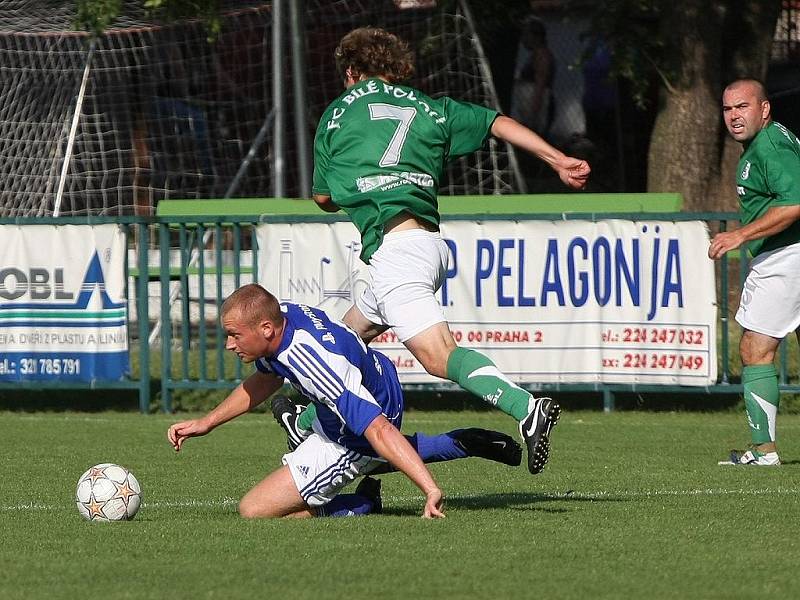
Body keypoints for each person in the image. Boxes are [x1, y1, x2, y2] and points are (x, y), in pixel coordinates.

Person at [302, 26, 590, 475]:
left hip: (395, 251)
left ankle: (525, 407)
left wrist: (361, 185)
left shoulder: (337, 115)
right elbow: (497, 121)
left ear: (353, 72)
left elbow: (322, 198)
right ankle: (301, 417)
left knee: (439, 356)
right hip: (424, 246)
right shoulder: (429, 108)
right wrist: (557, 159)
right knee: (344, 340)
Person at [167, 283, 522, 519]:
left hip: (356, 428)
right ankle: (462, 441)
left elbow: (378, 429)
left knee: (256, 509)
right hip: (378, 378)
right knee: (342, 437)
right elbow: (266, 377)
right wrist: (207, 422)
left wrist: (430, 489)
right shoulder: (282, 315)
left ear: (265, 330)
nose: (229, 344)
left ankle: (361, 502)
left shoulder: (315, 365)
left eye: (233, 335)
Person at [709, 78, 800, 466]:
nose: (734, 116)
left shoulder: (770, 147)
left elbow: (795, 203)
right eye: (728, 109)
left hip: (786, 256)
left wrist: (740, 235)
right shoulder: (768, 142)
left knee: (754, 350)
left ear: (764, 109)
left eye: (742, 107)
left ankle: (764, 451)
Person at [510, 16, 556, 138]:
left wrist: (533, 113)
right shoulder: (534, 55)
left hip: (536, 109)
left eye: (526, 35)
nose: (523, 39)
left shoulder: (542, 55)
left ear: (536, 36)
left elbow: (540, 85)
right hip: (528, 109)